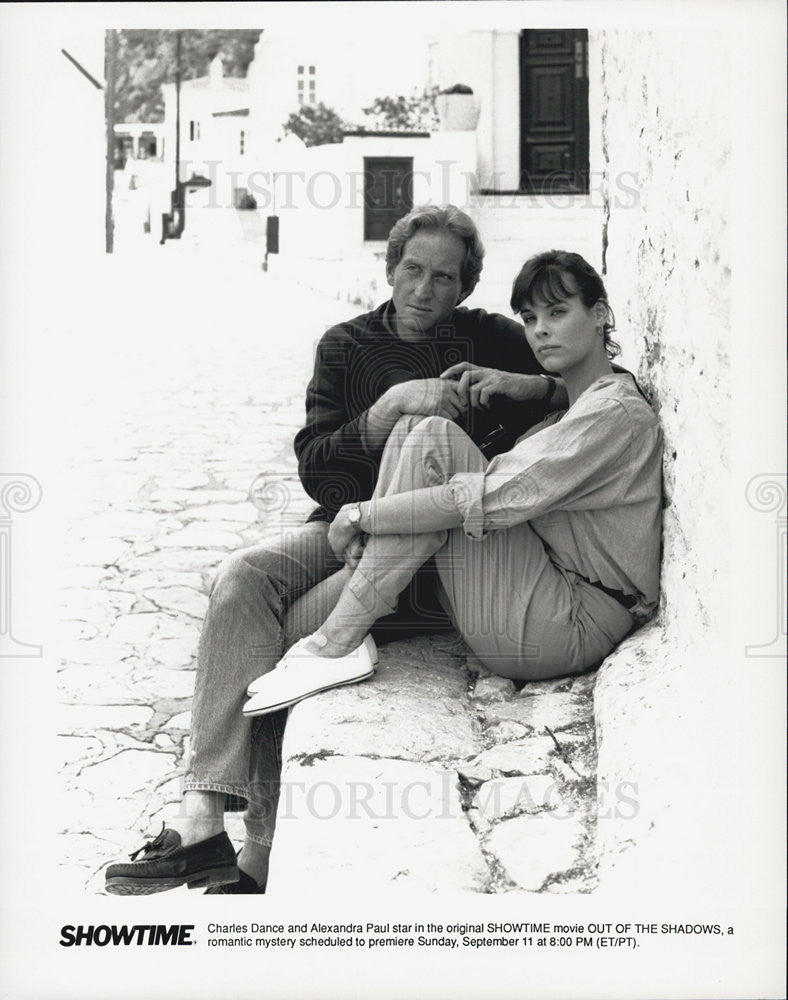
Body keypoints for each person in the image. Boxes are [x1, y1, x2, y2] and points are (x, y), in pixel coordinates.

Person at [104, 206, 566, 896]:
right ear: (389, 268)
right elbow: (318, 470)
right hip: (345, 523)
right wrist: (384, 413)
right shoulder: (346, 345)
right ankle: (201, 818)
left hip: (429, 555)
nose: (424, 289)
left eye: (444, 277)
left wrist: (533, 386)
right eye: (412, 270)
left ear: (466, 287)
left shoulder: (495, 340)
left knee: (285, 634)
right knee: (242, 578)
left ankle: (258, 853)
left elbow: (585, 385)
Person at [242, 250, 662, 717]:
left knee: (437, 440)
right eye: (529, 318)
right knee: (418, 429)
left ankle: (337, 641)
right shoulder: (574, 407)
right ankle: (340, 634)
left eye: (558, 312)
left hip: (571, 622)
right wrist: (534, 387)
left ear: (600, 314)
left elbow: (488, 497)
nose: (540, 329)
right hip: (542, 589)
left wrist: (360, 515)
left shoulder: (613, 414)